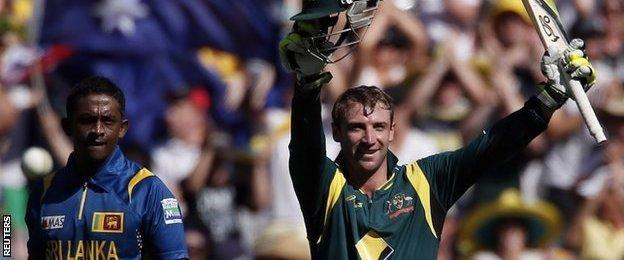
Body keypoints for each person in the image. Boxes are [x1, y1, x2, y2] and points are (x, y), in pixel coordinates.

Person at [279, 17, 597, 259]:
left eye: (378, 126)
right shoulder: (325, 186)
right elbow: (304, 145)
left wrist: (550, 97)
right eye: (356, 128)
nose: (369, 138)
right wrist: (307, 84)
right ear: (336, 132)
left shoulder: (425, 181)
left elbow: (493, 146)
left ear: (392, 131)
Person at [24, 76, 189, 259]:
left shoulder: (147, 190)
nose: (98, 130)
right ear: (67, 126)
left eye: (108, 121)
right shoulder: (44, 192)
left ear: (122, 128)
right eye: (87, 120)